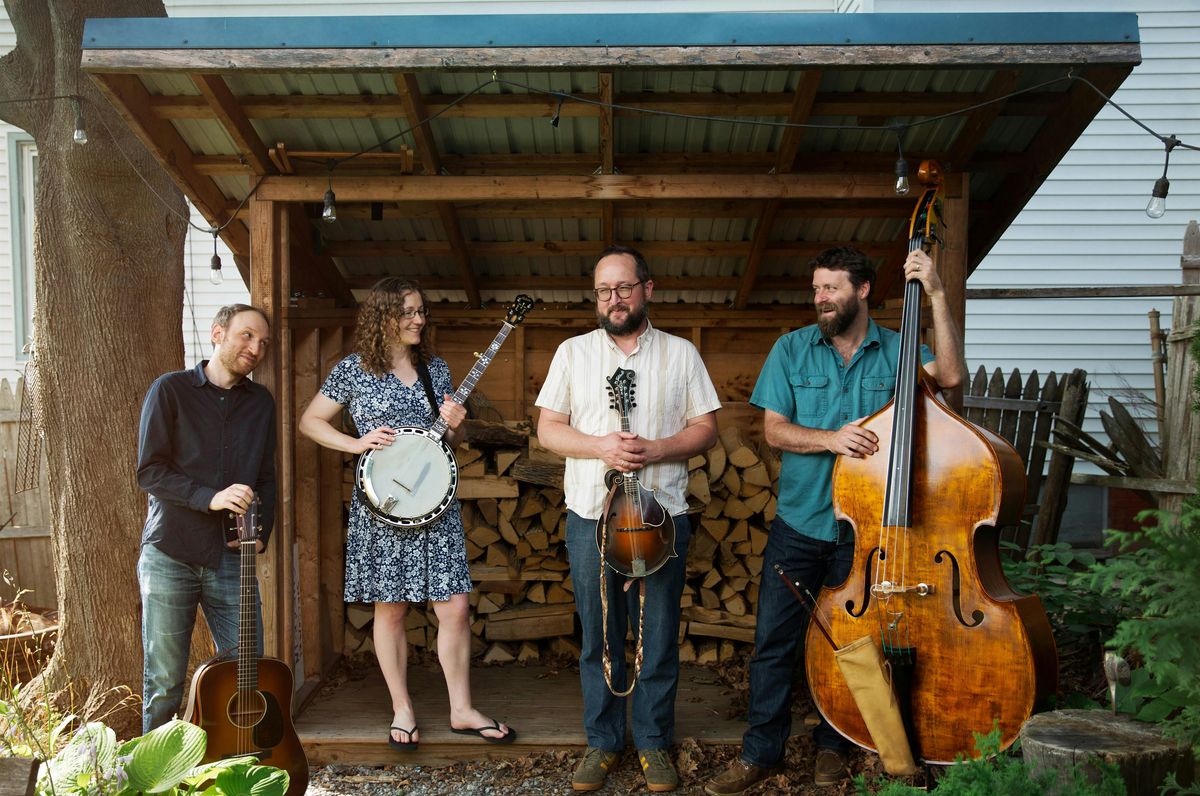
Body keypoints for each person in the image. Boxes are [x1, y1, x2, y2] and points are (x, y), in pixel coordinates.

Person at [704, 245, 965, 794]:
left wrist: (937, 294)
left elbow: (952, 375)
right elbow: (773, 431)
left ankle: (835, 745)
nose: (820, 298)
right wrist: (830, 439)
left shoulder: (897, 350)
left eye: (832, 288)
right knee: (774, 644)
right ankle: (760, 752)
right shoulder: (792, 349)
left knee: (853, 644)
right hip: (800, 524)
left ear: (863, 290)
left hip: (865, 534)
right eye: (817, 288)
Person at [298, 277, 514, 751]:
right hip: (383, 508)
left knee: (455, 606)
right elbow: (309, 421)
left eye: (421, 311)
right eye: (409, 312)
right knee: (390, 609)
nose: (419, 320)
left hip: (435, 505)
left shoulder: (435, 370)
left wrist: (456, 427)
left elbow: (443, 441)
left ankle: (461, 709)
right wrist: (355, 443)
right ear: (383, 317)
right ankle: (403, 707)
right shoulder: (353, 371)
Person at [536, 245, 721, 793]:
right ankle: (603, 742)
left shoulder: (682, 354)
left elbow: (706, 427)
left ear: (648, 289)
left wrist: (657, 448)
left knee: (658, 634)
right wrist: (600, 447)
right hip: (591, 517)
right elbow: (549, 429)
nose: (613, 300)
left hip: (662, 517)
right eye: (603, 291)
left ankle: (654, 743)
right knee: (600, 635)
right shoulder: (572, 353)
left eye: (623, 288)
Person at [137, 303, 276, 734]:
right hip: (170, 555)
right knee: (163, 682)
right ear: (217, 334)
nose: (256, 348)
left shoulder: (261, 404)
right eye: (247, 336)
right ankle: (153, 779)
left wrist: (261, 532)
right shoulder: (171, 390)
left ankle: (232, 766)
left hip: (233, 559)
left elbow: (266, 477)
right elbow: (150, 471)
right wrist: (210, 498)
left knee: (245, 673)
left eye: (263, 343)